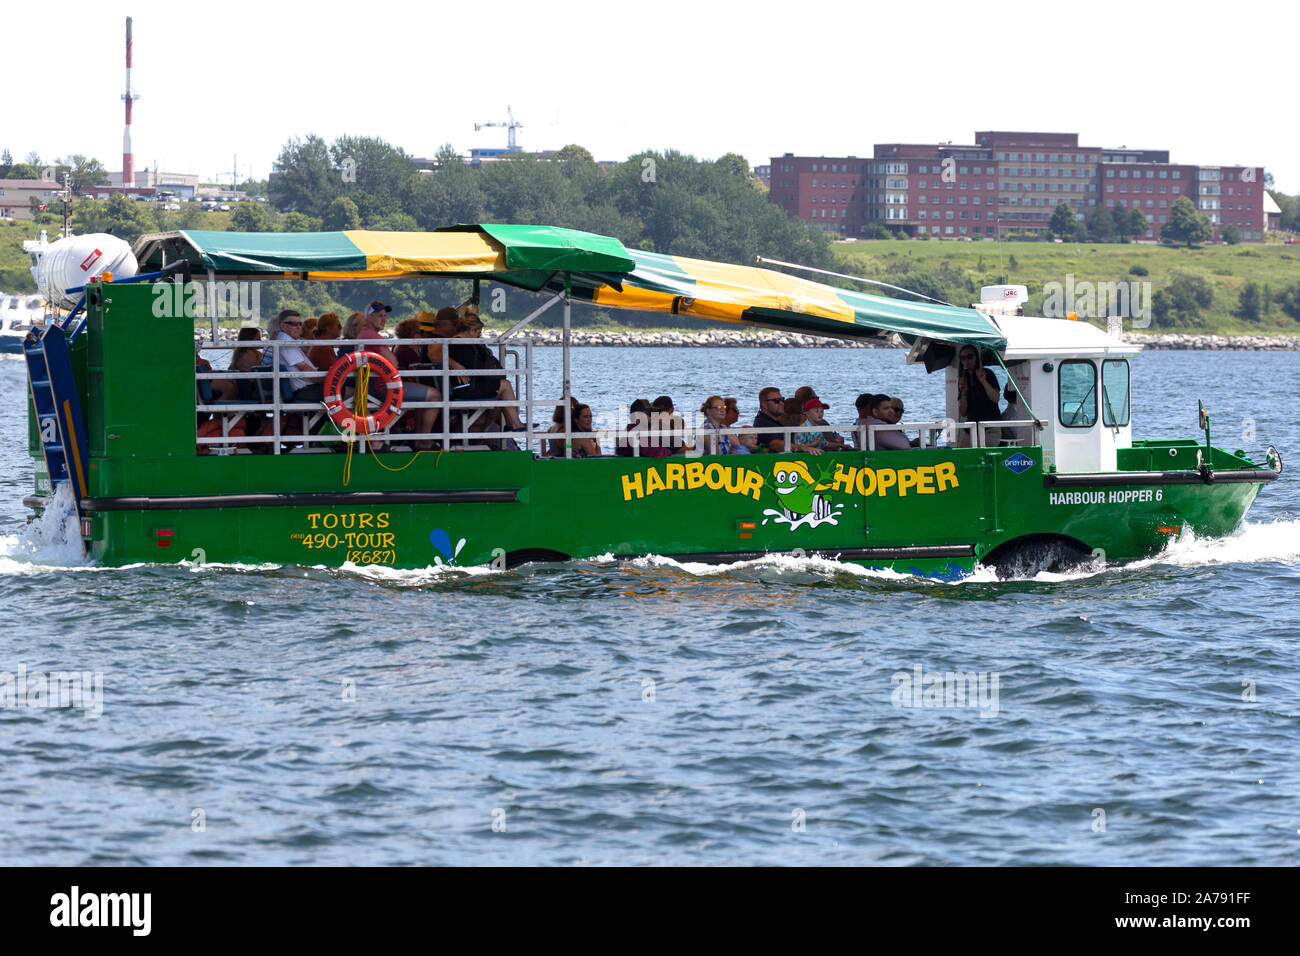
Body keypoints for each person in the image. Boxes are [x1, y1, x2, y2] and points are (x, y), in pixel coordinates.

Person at [449, 311, 524, 430]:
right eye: (478, 333)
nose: (478, 336)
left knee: (502, 388)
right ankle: (515, 424)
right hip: (466, 388)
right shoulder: (462, 344)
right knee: (505, 385)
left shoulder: (453, 343)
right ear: (471, 330)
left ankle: (512, 423)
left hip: (464, 386)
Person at [263, 309, 322, 403]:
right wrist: (325, 379)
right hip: (304, 390)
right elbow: (305, 368)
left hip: (306, 389)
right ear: (282, 326)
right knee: (342, 391)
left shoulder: (286, 341)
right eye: (294, 324)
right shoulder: (286, 343)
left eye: (300, 324)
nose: (298, 327)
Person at [958, 346, 1001, 447]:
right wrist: (963, 393)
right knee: (962, 456)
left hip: (990, 428)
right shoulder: (963, 379)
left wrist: (983, 381)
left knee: (979, 453)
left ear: (976, 358)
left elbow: (996, 399)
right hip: (972, 429)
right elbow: (963, 412)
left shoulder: (988, 374)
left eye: (970, 357)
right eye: (963, 358)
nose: (966, 360)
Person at [753, 387, 787, 452]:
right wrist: (802, 447)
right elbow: (776, 445)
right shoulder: (763, 424)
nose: (781, 403)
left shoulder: (773, 421)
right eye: (776, 401)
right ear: (764, 404)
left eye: (782, 400)